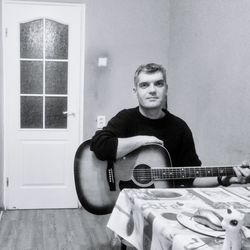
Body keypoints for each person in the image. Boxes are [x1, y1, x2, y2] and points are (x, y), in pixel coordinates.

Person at [90, 63, 250, 188]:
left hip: (163, 204)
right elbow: (99, 145)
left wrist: (225, 178)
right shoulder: (125, 118)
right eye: (144, 85)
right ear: (135, 91)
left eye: (158, 84)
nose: (152, 90)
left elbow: (192, 178)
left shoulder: (179, 128)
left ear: (166, 89)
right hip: (127, 200)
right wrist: (142, 140)